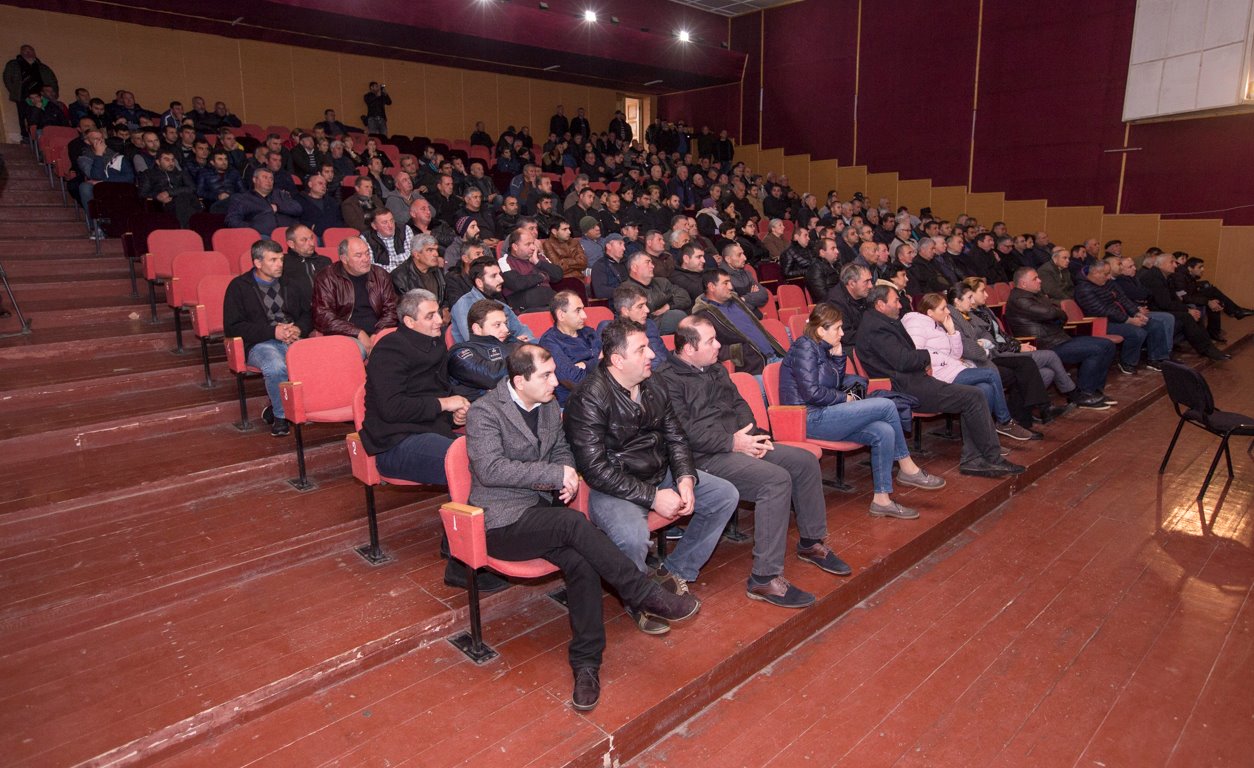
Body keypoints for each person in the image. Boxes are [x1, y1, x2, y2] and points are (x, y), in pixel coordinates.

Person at [464, 344, 698, 711]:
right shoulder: (484, 412)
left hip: (542, 517)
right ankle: (642, 592)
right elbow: (490, 469)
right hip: (501, 523)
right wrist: (553, 474)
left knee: (582, 560)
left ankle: (586, 663)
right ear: (519, 381)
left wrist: (567, 471)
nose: (555, 382)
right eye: (546, 375)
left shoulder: (546, 406)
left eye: (554, 373)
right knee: (574, 523)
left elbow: (561, 449)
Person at [659, 315, 856, 608]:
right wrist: (732, 443)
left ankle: (811, 542)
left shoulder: (715, 368)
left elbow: (739, 405)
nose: (719, 345)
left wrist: (752, 437)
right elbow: (684, 432)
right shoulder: (665, 380)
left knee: (803, 462)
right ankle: (764, 578)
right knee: (774, 482)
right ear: (689, 348)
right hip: (701, 458)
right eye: (711, 341)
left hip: (738, 443)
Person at [564, 319, 740, 634]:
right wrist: (654, 497)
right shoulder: (588, 398)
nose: (652, 355)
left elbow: (676, 437)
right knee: (632, 537)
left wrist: (685, 477)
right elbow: (595, 470)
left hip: (660, 472)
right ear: (618, 360)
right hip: (615, 486)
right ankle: (640, 599)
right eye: (641, 349)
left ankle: (676, 569)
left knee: (724, 495)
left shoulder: (654, 383)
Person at [780, 304, 946, 518]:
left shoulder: (822, 347)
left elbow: (834, 383)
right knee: (886, 405)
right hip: (808, 418)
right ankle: (907, 466)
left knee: (884, 431)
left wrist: (838, 359)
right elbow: (812, 393)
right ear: (821, 330)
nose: (842, 333)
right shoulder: (804, 348)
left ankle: (882, 500)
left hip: (826, 413)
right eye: (837, 328)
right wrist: (845, 398)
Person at [858, 285, 1025, 478]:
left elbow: (905, 357)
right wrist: (927, 356)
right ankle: (987, 458)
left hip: (914, 380)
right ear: (880, 304)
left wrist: (923, 358)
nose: (900, 305)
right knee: (974, 396)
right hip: (906, 387)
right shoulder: (876, 328)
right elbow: (903, 360)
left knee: (981, 390)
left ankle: (978, 457)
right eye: (895, 301)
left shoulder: (881, 322)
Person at [950, 279, 1092, 419]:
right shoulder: (964, 317)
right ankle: (1068, 397)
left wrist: (1016, 345)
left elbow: (996, 336)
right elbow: (981, 345)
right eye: (981, 291)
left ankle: (1025, 411)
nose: (986, 295)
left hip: (998, 351)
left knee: (1047, 373)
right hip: (995, 355)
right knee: (1048, 357)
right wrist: (1016, 347)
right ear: (959, 300)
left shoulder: (983, 311)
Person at [902, 294, 1036, 440]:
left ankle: (984, 436)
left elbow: (955, 354)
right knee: (990, 373)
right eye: (943, 308)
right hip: (938, 375)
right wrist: (945, 361)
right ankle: (1004, 421)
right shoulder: (916, 324)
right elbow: (917, 354)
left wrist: (952, 332)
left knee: (985, 388)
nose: (948, 311)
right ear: (929, 312)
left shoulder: (938, 326)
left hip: (952, 370)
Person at [223, 239, 312, 437]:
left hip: (292, 338)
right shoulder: (239, 287)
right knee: (276, 366)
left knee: (315, 360)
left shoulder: (291, 283)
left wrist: (298, 329)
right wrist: (273, 332)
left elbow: (308, 314)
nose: (279, 264)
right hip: (259, 343)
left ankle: (290, 409)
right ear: (258, 262)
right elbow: (233, 327)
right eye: (273, 260)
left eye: (281, 259)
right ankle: (281, 417)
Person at [1004, 267, 1119, 402]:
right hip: (1045, 345)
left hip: (1057, 338)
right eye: (1035, 279)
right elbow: (1050, 313)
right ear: (1023, 283)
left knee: (1108, 345)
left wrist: (1057, 313)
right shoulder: (1019, 299)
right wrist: (1058, 313)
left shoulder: (1035, 295)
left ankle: (1095, 390)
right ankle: (1085, 393)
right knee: (1096, 350)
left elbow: (1055, 312)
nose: (1040, 281)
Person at [1074, 260, 1173, 373]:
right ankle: (1127, 362)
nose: (1109, 277)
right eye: (1106, 274)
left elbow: (1123, 298)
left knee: (1155, 325)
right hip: (1099, 323)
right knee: (1137, 332)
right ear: (1095, 273)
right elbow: (1102, 310)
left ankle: (1157, 358)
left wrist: (1136, 313)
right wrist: (1128, 320)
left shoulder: (1107, 282)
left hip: (1118, 317)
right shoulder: (1083, 289)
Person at [312, 236, 398, 355]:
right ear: (344, 259)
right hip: (345, 335)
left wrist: (377, 334)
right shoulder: (327, 278)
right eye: (358, 255)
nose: (366, 259)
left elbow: (391, 310)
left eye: (367, 253)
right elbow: (323, 316)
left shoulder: (380, 275)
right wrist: (358, 333)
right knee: (357, 351)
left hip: (380, 331)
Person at [1139, 253, 1230, 360]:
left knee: (1195, 313)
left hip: (1162, 307)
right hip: (1153, 310)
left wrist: (1189, 309)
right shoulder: (1153, 278)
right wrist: (1187, 310)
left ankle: (1209, 348)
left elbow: (1174, 299)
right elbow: (1164, 303)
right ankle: (1207, 349)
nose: (1175, 265)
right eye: (1172, 262)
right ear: (1161, 264)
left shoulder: (1166, 277)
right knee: (1187, 316)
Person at [693, 268, 784, 374]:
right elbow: (707, 348)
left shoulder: (735, 300)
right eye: (725, 283)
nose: (731, 287)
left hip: (774, 355)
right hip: (754, 367)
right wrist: (740, 351)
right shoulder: (703, 314)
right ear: (711, 287)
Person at [448, 299, 520, 400]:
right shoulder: (461, 352)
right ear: (477, 329)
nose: (506, 330)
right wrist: (524, 358)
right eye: (497, 325)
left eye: (505, 323)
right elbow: (492, 376)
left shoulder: (513, 342)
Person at [539, 290, 601, 406]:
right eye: (578, 310)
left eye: (583, 309)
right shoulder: (549, 342)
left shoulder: (589, 332)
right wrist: (598, 362)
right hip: (575, 404)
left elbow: (612, 363)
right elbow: (573, 380)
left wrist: (585, 365)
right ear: (561, 315)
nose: (584, 316)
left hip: (602, 396)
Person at [450, 257, 533, 344]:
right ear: (479, 282)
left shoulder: (500, 305)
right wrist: (514, 341)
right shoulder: (464, 304)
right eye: (494, 276)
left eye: (499, 274)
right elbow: (474, 340)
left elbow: (522, 331)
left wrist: (525, 340)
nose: (501, 280)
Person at [624, 251, 689, 334]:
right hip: (645, 327)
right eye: (647, 262)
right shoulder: (626, 289)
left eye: (652, 262)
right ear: (634, 268)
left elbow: (685, 297)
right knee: (678, 316)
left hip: (662, 321)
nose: (652, 266)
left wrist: (668, 306)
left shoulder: (662, 282)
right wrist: (668, 297)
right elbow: (649, 309)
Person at [4, 45, 57, 141]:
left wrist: (53, 94)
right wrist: (15, 91)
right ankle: (26, 137)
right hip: (23, 96)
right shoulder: (13, 65)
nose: (28, 53)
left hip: (42, 96)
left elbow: (52, 80)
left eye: (30, 50)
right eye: (25, 51)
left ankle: (47, 135)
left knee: (46, 115)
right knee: (24, 117)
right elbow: (7, 78)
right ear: (21, 53)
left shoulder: (43, 67)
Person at [281, 224, 331, 307]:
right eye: (304, 240)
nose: (311, 243)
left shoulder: (325, 261)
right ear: (291, 244)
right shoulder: (283, 263)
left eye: (312, 238)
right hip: (298, 312)